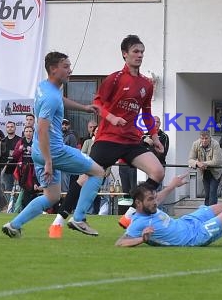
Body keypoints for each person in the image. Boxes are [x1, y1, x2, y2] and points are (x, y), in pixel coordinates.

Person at [51, 35, 165, 237]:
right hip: (108, 139)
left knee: (157, 172)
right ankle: (59, 220)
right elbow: (97, 104)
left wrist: (155, 138)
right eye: (135, 52)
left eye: (142, 52)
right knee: (84, 179)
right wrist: (112, 118)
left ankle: (130, 214)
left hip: (131, 140)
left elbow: (146, 113)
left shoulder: (146, 84)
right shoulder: (114, 79)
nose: (140, 55)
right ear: (125, 54)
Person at [2, 52, 105, 238]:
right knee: (98, 172)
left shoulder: (45, 87)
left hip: (39, 151)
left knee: (52, 196)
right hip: (54, 151)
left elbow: (60, 100)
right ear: (53, 69)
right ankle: (79, 218)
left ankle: (13, 225)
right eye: (65, 67)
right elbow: (41, 129)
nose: (70, 70)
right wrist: (49, 161)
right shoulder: (50, 96)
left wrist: (84, 108)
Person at [115, 177, 222, 247]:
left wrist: (173, 185)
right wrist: (141, 239)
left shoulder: (148, 208)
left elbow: (158, 198)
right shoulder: (139, 223)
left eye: (153, 198)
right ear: (138, 203)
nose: (154, 201)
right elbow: (120, 242)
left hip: (188, 222)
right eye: (150, 199)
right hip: (194, 236)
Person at [188, 131, 222, 206]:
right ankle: (206, 212)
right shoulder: (195, 144)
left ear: (210, 138)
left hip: (216, 171)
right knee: (207, 193)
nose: (204, 140)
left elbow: (216, 161)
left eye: (206, 138)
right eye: (202, 138)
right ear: (200, 138)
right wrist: (197, 163)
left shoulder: (215, 144)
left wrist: (203, 164)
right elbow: (190, 160)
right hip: (204, 172)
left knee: (212, 193)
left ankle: (212, 212)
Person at [12, 126, 40, 209]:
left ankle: (32, 207)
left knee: (34, 189)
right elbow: (15, 155)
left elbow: (40, 154)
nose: (28, 133)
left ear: (33, 132)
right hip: (23, 170)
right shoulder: (20, 142)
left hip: (34, 169)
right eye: (26, 131)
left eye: (30, 131)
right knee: (24, 189)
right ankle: (23, 207)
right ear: (24, 132)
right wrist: (21, 149)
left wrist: (33, 150)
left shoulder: (36, 142)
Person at [0, 121, 21, 197]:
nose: (10, 128)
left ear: (15, 128)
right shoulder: (3, 141)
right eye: (8, 127)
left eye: (12, 126)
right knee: (7, 190)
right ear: (6, 129)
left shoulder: (20, 140)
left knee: (18, 190)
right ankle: (10, 207)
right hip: (6, 169)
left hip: (18, 169)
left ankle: (18, 207)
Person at [61, 118, 78, 193]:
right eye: (63, 124)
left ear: (69, 126)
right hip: (57, 162)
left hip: (66, 163)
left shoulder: (71, 136)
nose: (64, 126)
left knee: (65, 184)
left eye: (66, 124)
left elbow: (73, 151)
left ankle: (64, 201)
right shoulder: (58, 135)